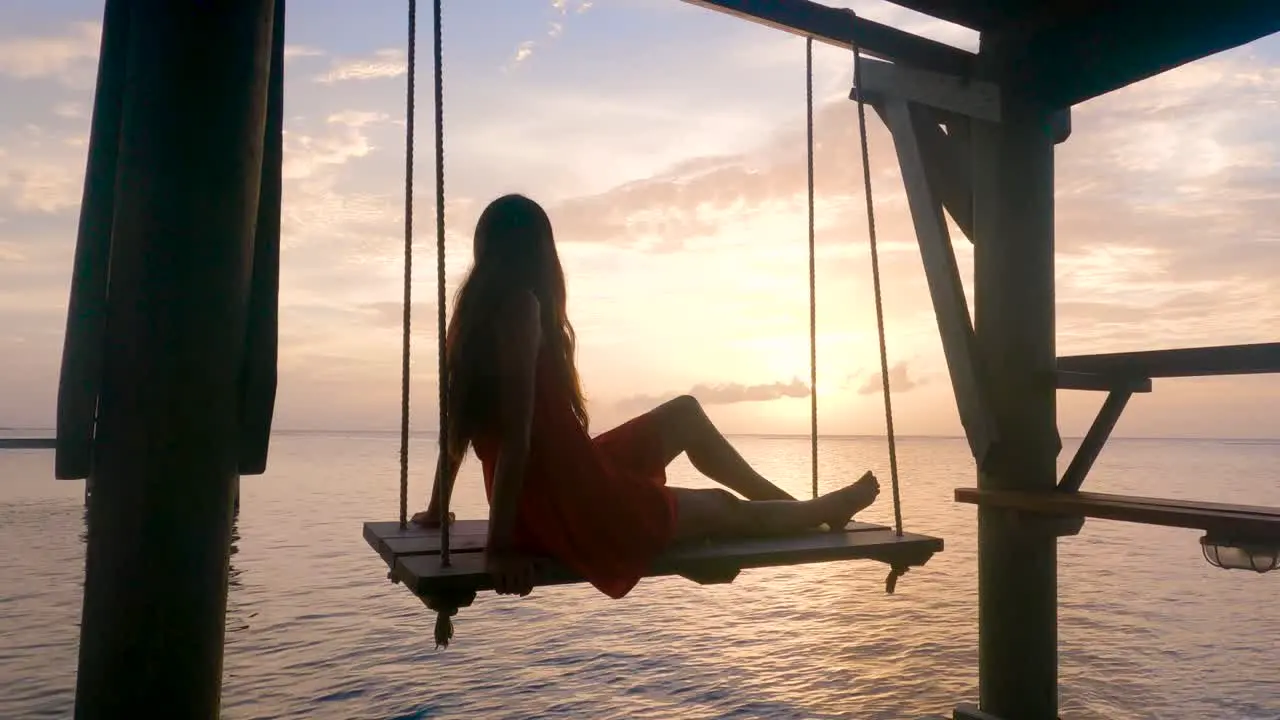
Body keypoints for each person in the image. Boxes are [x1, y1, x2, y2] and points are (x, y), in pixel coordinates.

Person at [413, 193, 880, 599]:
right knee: (720, 509)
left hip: (567, 475)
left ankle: (793, 510)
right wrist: (499, 549)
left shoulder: (472, 316)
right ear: (539, 252)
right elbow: (516, 437)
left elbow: (458, 427)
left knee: (684, 414)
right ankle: (818, 512)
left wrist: (438, 510)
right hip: (568, 504)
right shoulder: (522, 307)